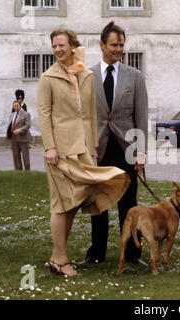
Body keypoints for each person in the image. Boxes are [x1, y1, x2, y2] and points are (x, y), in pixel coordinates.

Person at [37, 28, 130, 276]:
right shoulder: (48, 78)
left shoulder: (86, 75)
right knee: (60, 203)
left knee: (74, 203)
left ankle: (59, 256)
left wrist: (94, 147)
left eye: (62, 45)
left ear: (73, 46)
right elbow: (44, 115)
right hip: (58, 150)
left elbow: (90, 114)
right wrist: (49, 147)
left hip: (84, 149)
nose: (57, 50)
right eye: (54, 46)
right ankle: (60, 259)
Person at [81, 22, 148, 265]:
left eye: (121, 45)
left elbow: (141, 116)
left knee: (128, 204)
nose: (119, 49)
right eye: (114, 45)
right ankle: (96, 254)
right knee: (98, 203)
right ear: (102, 45)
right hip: (97, 149)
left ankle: (133, 254)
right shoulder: (87, 76)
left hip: (126, 149)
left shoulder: (135, 76)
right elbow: (84, 117)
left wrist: (141, 152)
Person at [7, 100, 31, 170]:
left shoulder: (26, 114)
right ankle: (18, 173)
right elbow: (10, 125)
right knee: (16, 158)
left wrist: (20, 130)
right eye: (14, 106)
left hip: (23, 139)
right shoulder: (12, 114)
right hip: (14, 139)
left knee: (26, 158)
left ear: (20, 106)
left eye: (17, 105)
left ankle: (27, 174)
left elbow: (28, 125)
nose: (15, 107)